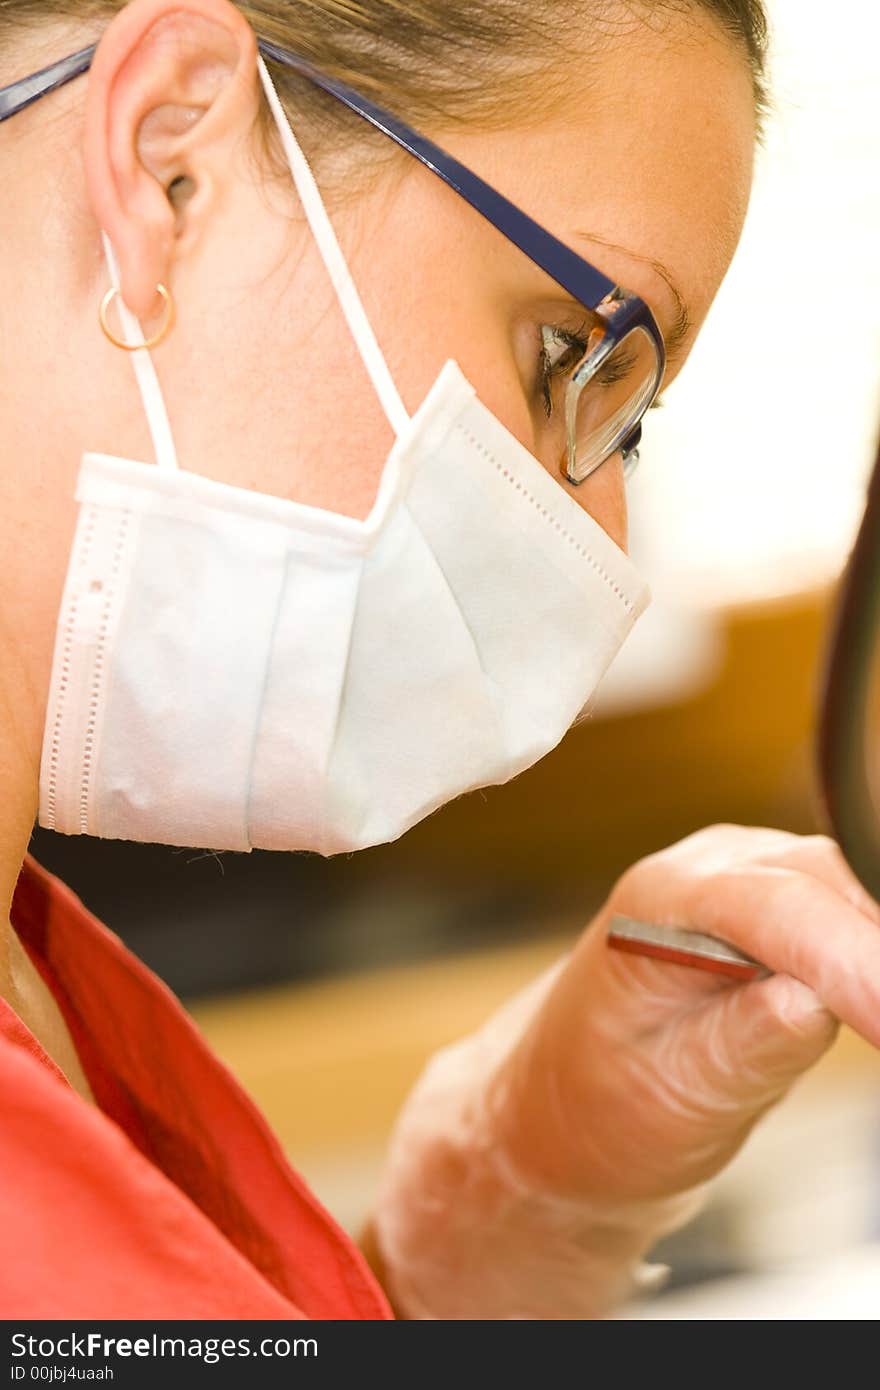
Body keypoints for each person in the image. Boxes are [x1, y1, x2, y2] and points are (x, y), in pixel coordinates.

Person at [1, 0, 878, 1321]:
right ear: (166, 151)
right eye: (569, 351)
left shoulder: (52, 995)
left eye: (624, 431)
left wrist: (498, 1220)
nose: (603, 544)